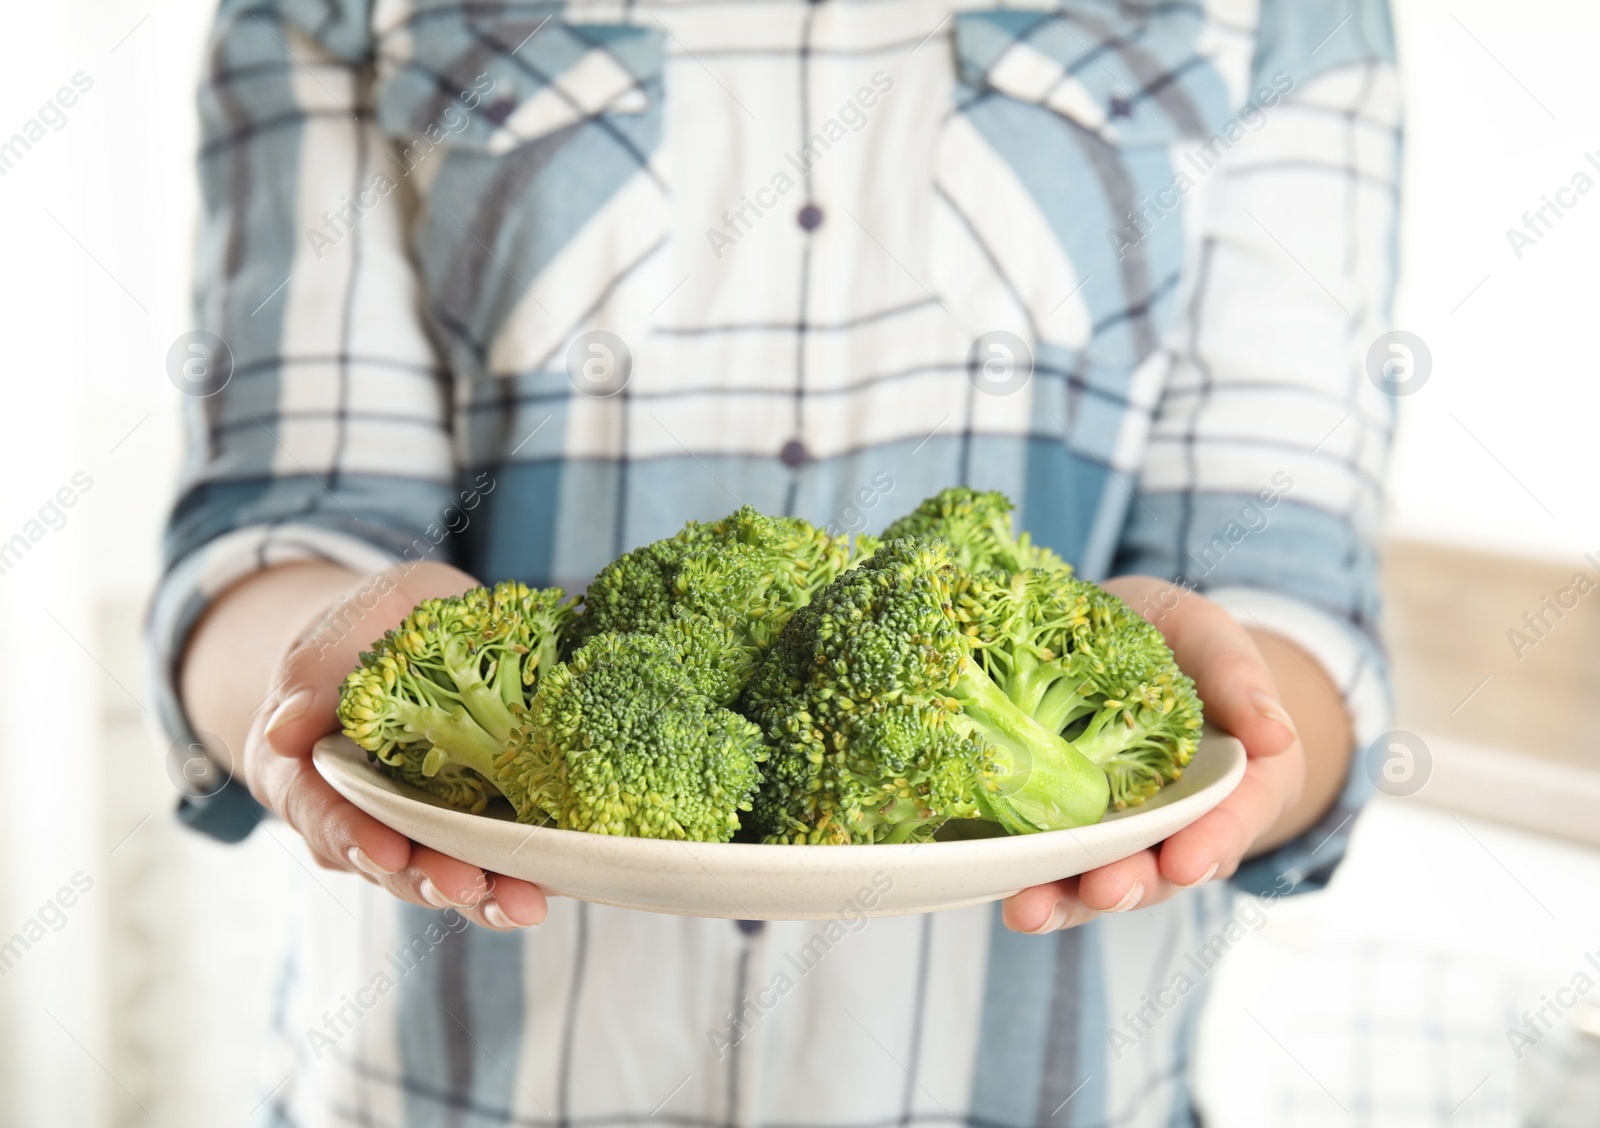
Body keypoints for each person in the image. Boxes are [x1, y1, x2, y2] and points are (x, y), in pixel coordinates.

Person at [155, 0, 1400, 1122]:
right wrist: (330, 642)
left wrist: (1236, 717)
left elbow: (1287, 573)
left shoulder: (1292, 18)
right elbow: (279, 522)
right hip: (436, 1085)